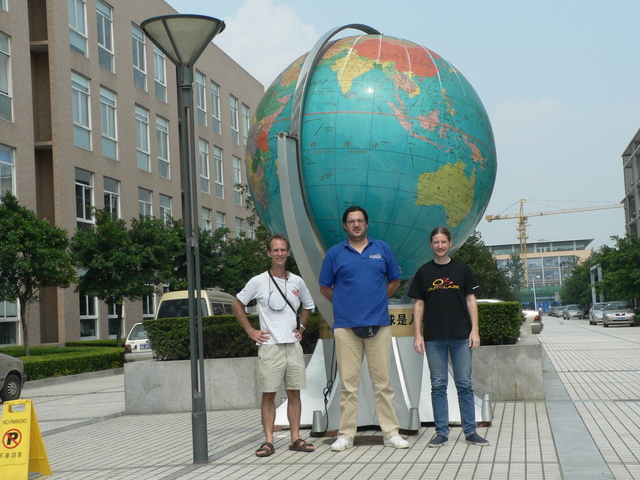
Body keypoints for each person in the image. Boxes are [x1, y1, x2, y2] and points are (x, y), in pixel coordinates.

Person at [319, 206, 410, 451]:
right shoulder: (335, 254)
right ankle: (346, 435)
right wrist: (343, 304)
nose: (356, 225)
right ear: (345, 226)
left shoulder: (382, 249)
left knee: (383, 384)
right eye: (351, 221)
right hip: (346, 328)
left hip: (379, 326)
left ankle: (391, 433)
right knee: (348, 385)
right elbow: (325, 287)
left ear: (366, 224)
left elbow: (395, 280)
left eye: (360, 221)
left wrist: (378, 299)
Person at [232, 234, 316, 457]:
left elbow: (308, 306)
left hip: (293, 346)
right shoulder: (258, 281)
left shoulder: (297, 281)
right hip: (269, 347)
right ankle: (268, 441)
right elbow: (237, 304)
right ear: (269, 253)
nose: (279, 254)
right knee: (269, 394)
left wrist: (302, 328)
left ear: (288, 253)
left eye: (283, 250)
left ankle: (295, 438)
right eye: (275, 250)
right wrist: (251, 331)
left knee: (294, 393)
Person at [409, 226, 490, 448]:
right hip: (434, 338)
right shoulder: (424, 272)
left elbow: (471, 301)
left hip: (461, 337)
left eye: (444, 242)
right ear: (431, 244)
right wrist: (418, 335)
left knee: (464, 384)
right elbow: (418, 305)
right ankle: (441, 432)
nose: (440, 246)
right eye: (436, 242)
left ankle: (470, 431)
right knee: (438, 385)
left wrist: (475, 330)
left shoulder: (462, 270)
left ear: (450, 243)